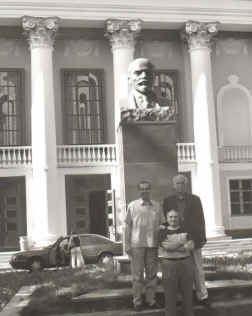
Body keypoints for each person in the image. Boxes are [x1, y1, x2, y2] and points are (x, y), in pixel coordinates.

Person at [163, 174, 208, 303]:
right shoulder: (168, 201)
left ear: (186, 184)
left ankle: (202, 295)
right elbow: (166, 221)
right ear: (173, 185)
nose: (180, 186)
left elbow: (201, 220)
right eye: (177, 183)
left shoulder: (195, 200)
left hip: (193, 238)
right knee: (178, 269)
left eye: (182, 183)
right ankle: (180, 297)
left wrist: (201, 238)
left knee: (198, 268)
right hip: (175, 238)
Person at [124, 180, 165, 311]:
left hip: (152, 245)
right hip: (137, 245)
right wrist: (127, 245)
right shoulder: (132, 206)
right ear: (138, 191)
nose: (144, 191)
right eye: (142, 189)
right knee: (137, 275)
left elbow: (162, 226)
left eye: (147, 188)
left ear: (150, 190)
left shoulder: (157, 206)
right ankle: (137, 302)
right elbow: (127, 227)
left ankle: (151, 300)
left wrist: (163, 244)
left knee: (152, 275)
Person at [159, 208, 195, 316]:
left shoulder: (186, 229)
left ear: (179, 218)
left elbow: (191, 246)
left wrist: (175, 245)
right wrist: (182, 243)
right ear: (166, 218)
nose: (173, 219)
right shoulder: (162, 231)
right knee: (170, 295)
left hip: (186, 263)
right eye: (170, 217)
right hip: (169, 264)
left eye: (175, 217)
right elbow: (167, 246)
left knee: (188, 294)